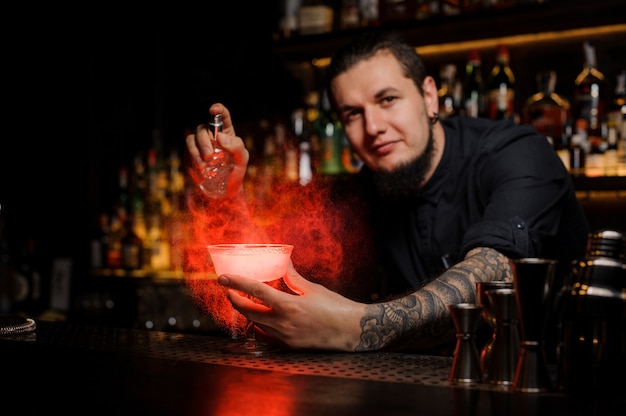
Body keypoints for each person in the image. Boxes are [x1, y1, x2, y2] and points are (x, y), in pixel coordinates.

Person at [185, 31, 589, 353]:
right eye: (353, 113)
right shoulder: (363, 194)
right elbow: (271, 278)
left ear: (429, 97)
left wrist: (356, 328)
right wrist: (226, 197)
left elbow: (495, 273)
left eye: (388, 99)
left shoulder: (518, 153)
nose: (373, 125)